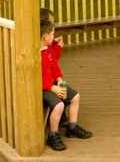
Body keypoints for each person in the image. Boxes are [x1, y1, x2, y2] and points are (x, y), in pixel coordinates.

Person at [40, 19, 92, 151]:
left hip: (54, 84)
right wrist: (53, 88)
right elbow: (38, 78)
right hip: (44, 88)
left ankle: (72, 127)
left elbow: (54, 67)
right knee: (59, 105)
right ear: (44, 36)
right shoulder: (37, 54)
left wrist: (59, 80)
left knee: (75, 97)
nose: (54, 36)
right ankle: (53, 135)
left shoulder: (48, 49)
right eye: (52, 34)